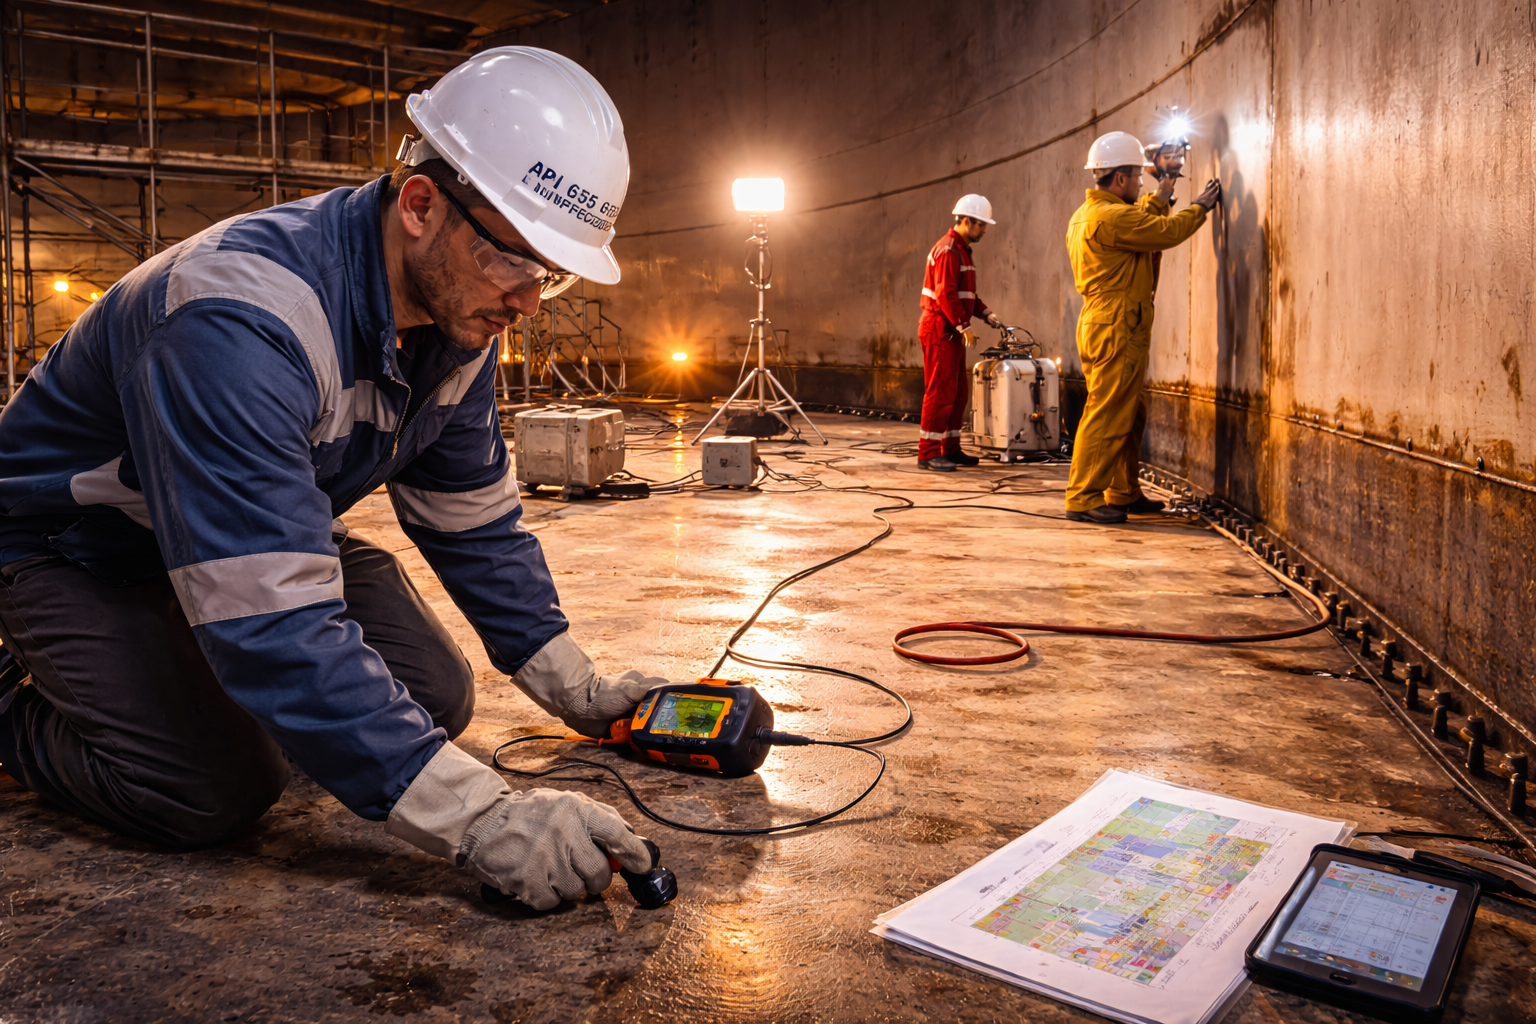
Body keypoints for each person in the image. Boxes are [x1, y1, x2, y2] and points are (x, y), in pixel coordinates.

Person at [0, 48, 660, 912]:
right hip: (71, 549)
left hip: (236, 531)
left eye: (551, 273)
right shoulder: (238, 320)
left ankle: (184, 672)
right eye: (516, 260)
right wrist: (478, 817)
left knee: (435, 696)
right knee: (209, 790)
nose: (531, 300)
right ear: (420, 204)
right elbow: (269, 613)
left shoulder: (458, 325)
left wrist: (579, 688)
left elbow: (473, 524)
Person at [1063, 131, 1220, 523]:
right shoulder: (1111, 217)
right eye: (1137, 176)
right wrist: (1199, 206)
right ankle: (1083, 496)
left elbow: (1142, 223)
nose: (1140, 181)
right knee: (1108, 410)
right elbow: (1162, 233)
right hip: (1117, 324)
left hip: (1108, 322)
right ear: (1119, 180)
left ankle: (1121, 491)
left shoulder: (1090, 214)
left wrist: (1164, 189)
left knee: (1129, 411)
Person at [916, 194, 1006, 472]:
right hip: (940, 329)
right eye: (981, 225)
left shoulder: (960, 250)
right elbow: (946, 294)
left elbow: (965, 294)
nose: (985, 230)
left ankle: (950, 448)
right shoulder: (948, 250)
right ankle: (928, 453)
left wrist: (985, 313)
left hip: (949, 330)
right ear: (965, 221)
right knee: (940, 392)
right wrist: (963, 325)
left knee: (957, 394)